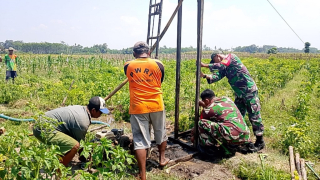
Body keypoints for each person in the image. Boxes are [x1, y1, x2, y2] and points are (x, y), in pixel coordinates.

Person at [200, 51, 265, 150]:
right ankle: (239, 139)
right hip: (239, 94)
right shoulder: (224, 67)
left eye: (214, 61)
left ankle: (260, 141)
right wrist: (204, 76)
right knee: (236, 116)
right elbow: (217, 76)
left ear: (218, 56)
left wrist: (204, 65)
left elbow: (221, 65)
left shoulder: (232, 58)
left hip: (248, 91)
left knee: (254, 114)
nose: (215, 63)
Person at [124, 41, 169, 180]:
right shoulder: (159, 64)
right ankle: (162, 159)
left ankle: (142, 175)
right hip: (156, 104)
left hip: (138, 107)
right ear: (149, 52)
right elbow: (159, 80)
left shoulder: (128, 65)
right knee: (160, 131)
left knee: (140, 140)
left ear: (134, 53)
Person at [33, 96, 109, 166]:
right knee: (75, 146)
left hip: (41, 123)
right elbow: (80, 146)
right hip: (43, 129)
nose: (101, 114)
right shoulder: (82, 121)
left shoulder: (81, 108)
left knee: (70, 141)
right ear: (93, 110)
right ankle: (59, 169)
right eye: (100, 112)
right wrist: (86, 158)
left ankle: (59, 159)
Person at [192, 89, 255, 153]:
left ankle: (209, 148)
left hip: (232, 136)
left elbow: (202, 121)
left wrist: (193, 134)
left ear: (206, 100)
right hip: (245, 134)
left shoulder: (207, 111)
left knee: (201, 123)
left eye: (204, 102)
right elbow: (215, 108)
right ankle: (237, 144)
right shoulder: (227, 99)